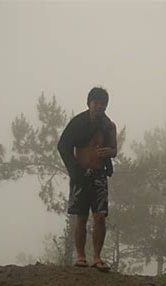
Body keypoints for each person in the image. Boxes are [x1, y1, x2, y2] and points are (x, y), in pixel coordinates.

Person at [57, 87, 117, 272]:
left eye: (102, 104)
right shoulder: (78, 123)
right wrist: (74, 170)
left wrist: (110, 152)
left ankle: (97, 257)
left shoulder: (109, 126)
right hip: (81, 174)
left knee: (100, 216)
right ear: (89, 103)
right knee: (81, 217)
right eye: (96, 103)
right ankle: (81, 256)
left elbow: (114, 149)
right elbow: (63, 145)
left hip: (99, 174)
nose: (99, 107)